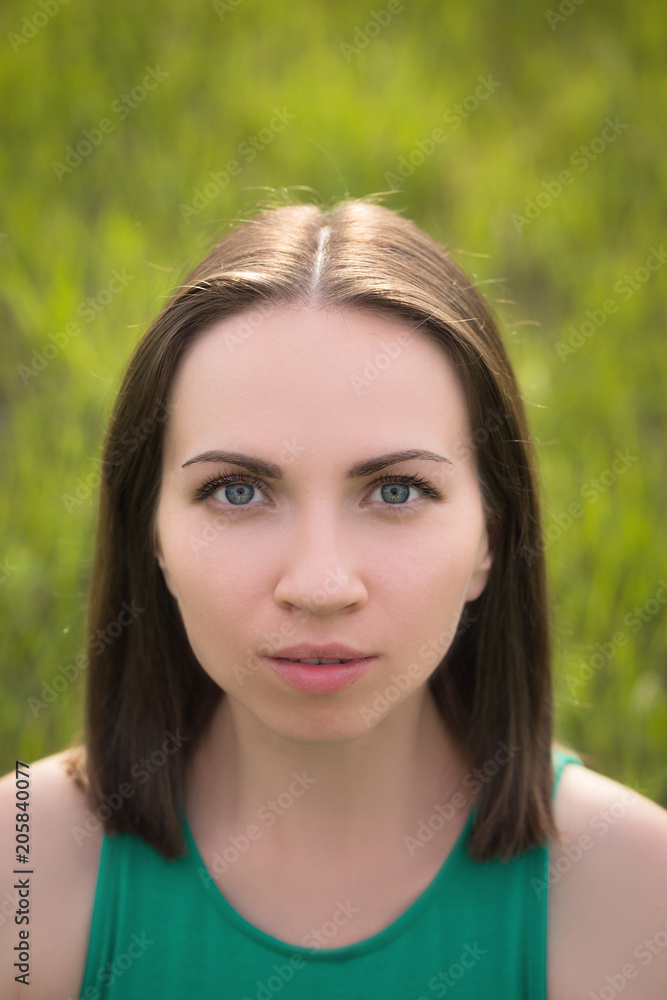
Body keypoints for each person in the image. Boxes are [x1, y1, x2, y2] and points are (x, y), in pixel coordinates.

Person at [2, 197, 666, 1000]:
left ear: (492, 536)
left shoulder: (635, 895)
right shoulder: (22, 866)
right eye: (237, 491)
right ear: (152, 536)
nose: (319, 586)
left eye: (395, 491)